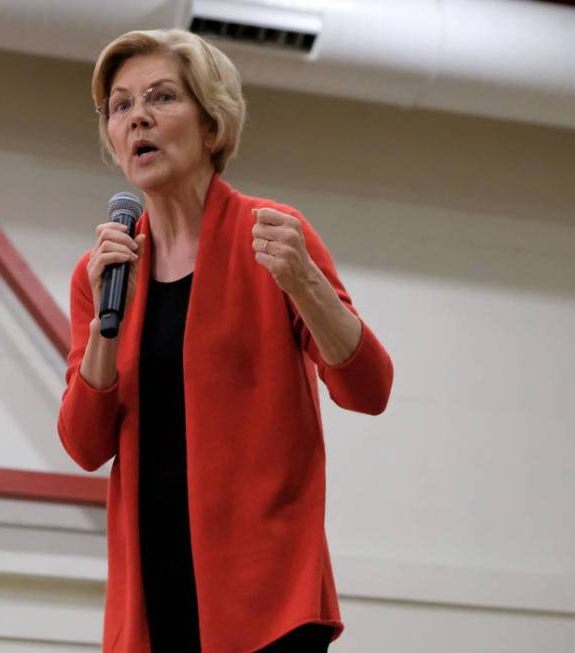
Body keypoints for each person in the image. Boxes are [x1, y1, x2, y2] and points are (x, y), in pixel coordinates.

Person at [56, 28, 394, 653]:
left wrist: (306, 285)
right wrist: (109, 324)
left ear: (212, 126)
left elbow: (369, 389)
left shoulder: (273, 237)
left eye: (161, 97)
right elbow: (82, 444)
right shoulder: (101, 270)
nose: (138, 119)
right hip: (152, 605)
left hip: (265, 604)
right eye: (121, 106)